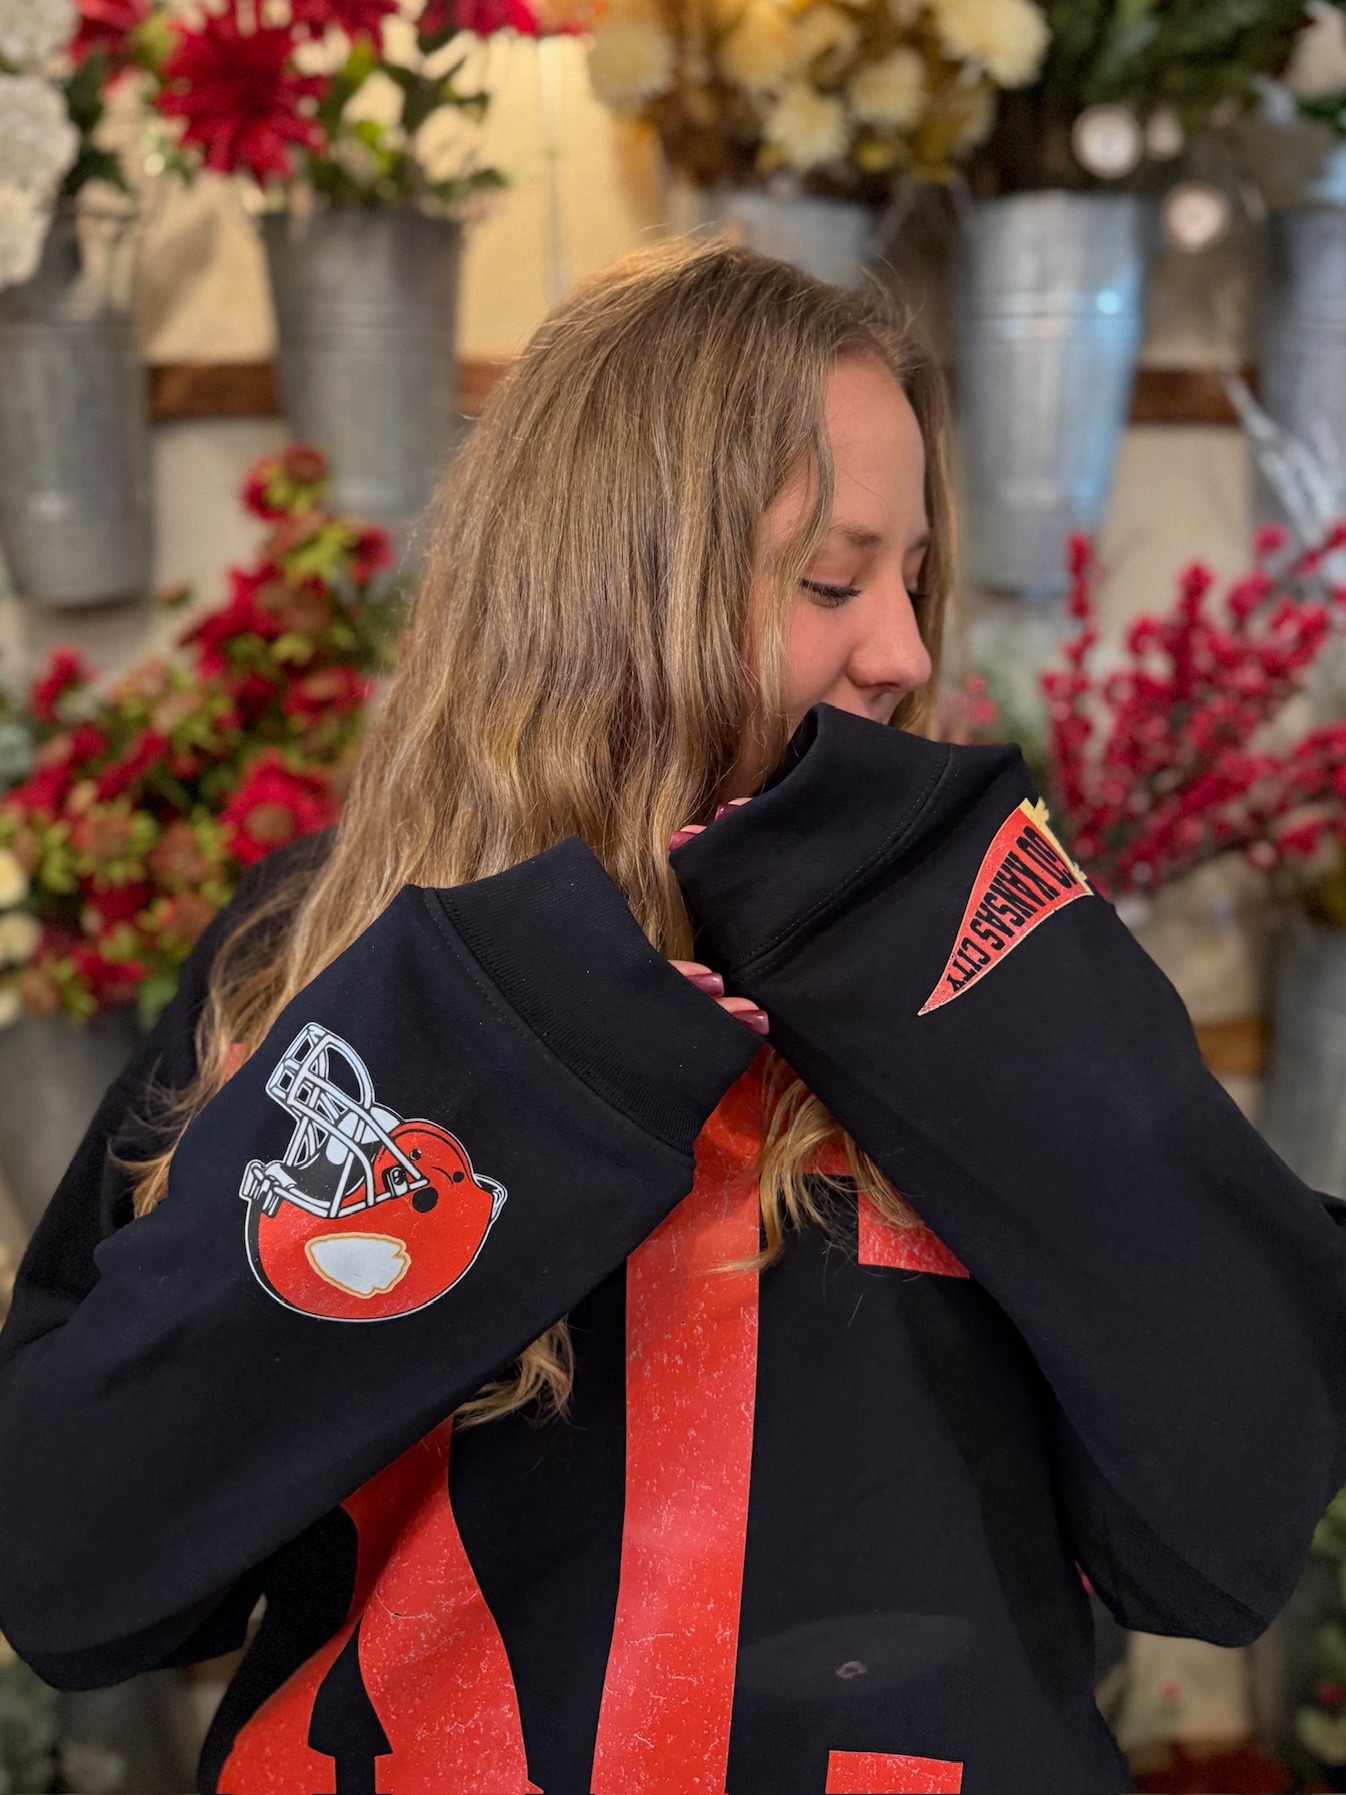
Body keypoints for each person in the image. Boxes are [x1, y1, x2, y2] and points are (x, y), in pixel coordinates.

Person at [1, 241, 1344, 1795]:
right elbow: (79, 1573)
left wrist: (1022, 1029)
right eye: (832, 582)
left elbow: (1222, 1536)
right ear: (607, 587)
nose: (904, 654)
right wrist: (487, 1051)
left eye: (912, 578)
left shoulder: (976, 964)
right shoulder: (301, 960)